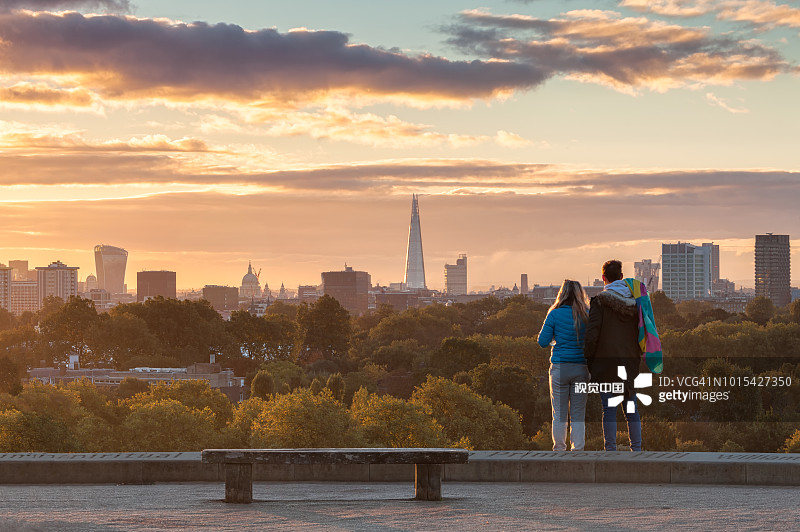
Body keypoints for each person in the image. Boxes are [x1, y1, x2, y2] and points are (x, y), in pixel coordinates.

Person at [584, 260, 642, 451]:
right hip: (629, 362)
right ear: (621, 277)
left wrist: (590, 362)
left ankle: (610, 451)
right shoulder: (636, 303)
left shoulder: (599, 302)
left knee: (608, 409)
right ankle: (637, 450)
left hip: (606, 363)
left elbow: (592, 335)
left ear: (603, 278)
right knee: (631, 409)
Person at [537, 279, 590, 451]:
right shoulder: (587, 314)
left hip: (560, 367)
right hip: (581, 367)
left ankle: (559, 449)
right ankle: (578, 449)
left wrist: (556, 340)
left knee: (559, 413)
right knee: (578, 413)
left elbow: (542, 341)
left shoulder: (554, 314)